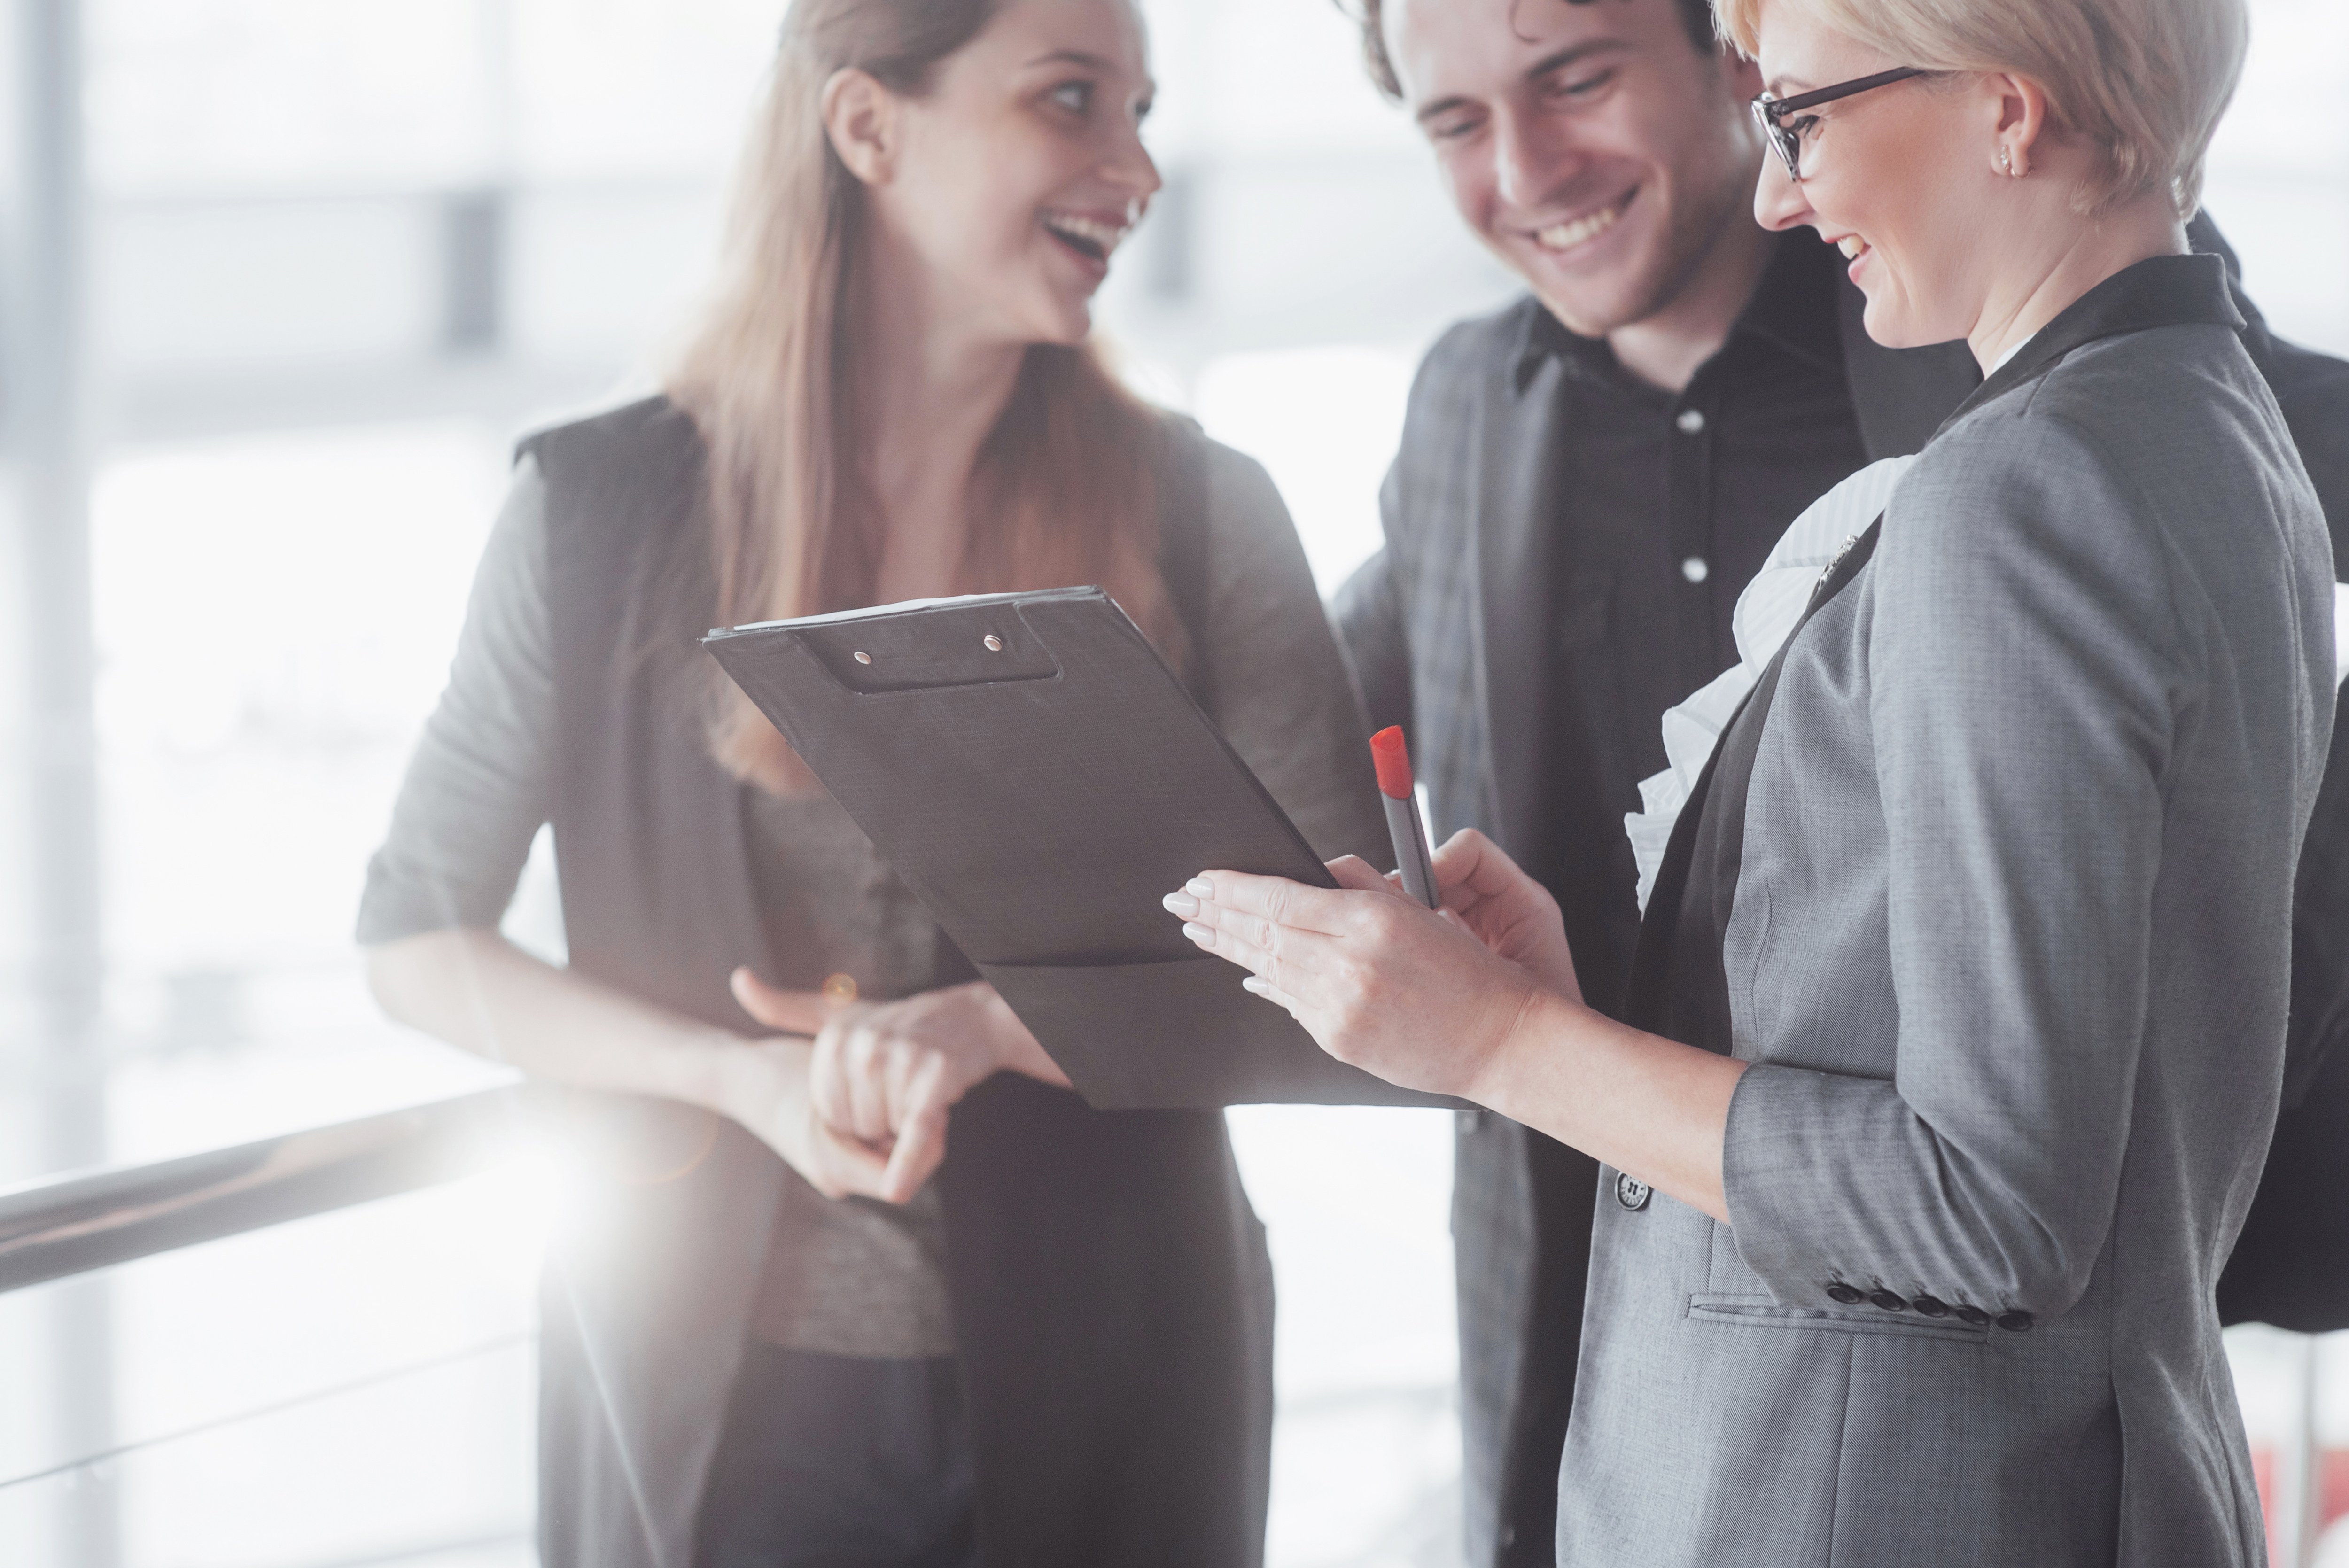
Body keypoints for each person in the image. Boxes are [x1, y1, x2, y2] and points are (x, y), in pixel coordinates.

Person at [1177, 0, 2339, 1559]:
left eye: (1798, 113)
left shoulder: (2020, 489)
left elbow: (1989, 1203)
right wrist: (1573, 1016)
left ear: (2007, 110)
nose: (1780, 189)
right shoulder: (2208, 422)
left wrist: (1511, 1042)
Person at [358, 1, 1384, 1564]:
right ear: (867, 128)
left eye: (1144, 109)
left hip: (1120, 1365)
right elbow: (416, 938)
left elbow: (1350, 968)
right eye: (1071, 101)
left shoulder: (1207, 511)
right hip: (711, 1391)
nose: (1138, 168)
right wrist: (746, 1080)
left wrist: (979, 1028)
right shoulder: (593, 511)